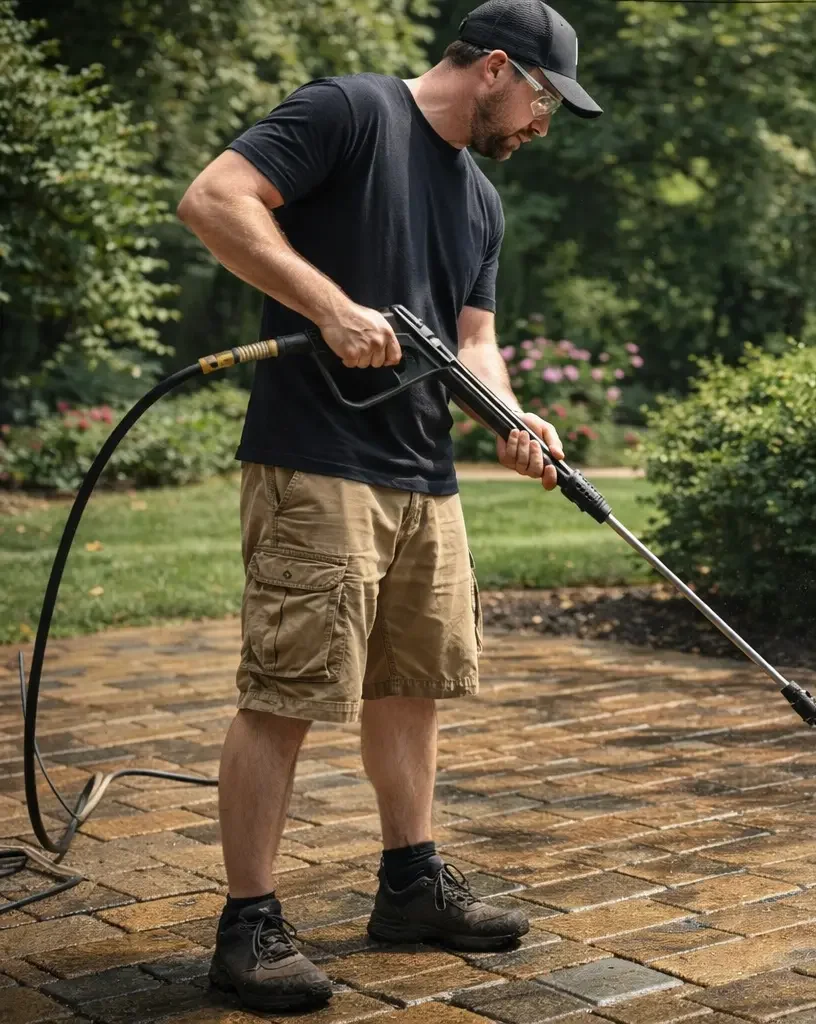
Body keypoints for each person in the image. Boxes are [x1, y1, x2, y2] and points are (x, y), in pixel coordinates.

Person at [174, 0, 602, 1011]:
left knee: (412, 685)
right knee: (287, 691)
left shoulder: (481, 199)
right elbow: (214, 199)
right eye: (544, 98)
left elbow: (474, 336)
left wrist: (511, 417)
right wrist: (328, 306)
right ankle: (249, 925)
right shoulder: (351, 112)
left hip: (424, 479)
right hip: (316, 461)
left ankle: (411, 886)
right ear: (496, 68)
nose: (543, 122)